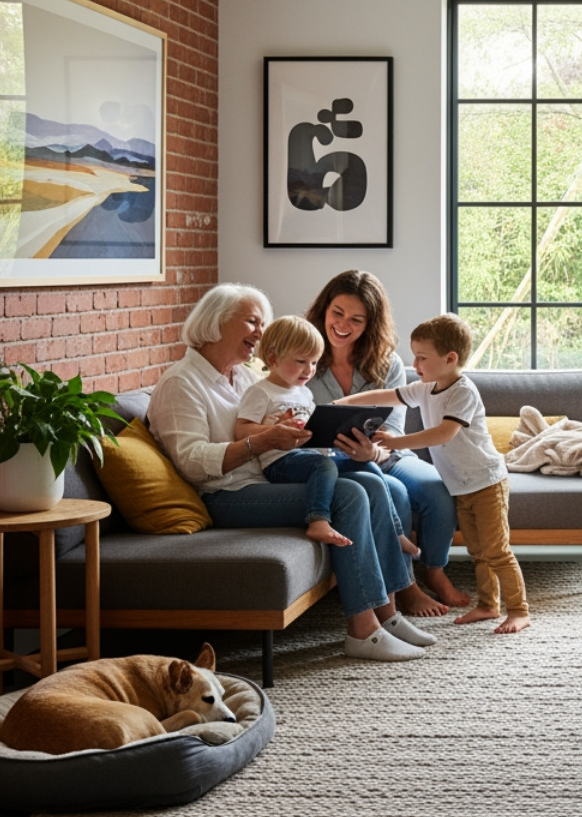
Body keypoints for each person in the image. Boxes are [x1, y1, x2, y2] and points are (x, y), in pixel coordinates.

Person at [146, 283, 436, 662]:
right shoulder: (181, 383)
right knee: (349, 495)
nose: (261, 332)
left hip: (264, 481)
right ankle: (363, 631)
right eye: (251, 321)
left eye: (262, 323)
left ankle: (388, 615)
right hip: (226, 495)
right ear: (215, 323)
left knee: (365, 477)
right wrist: (264, 441)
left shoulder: (246, 378)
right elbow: (191, 461)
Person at [339, 314, 530, 635]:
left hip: (487, 483)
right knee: (478, 552)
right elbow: (382, 396)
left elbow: (443, 434)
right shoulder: (425, 388)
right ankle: (488, 605)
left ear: (450, 358)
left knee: (497, 550)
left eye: (422, 357)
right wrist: (340, 403)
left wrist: (396, 441)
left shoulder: (462, 392)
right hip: (462, 487)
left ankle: (519, 610)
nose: (414, 364)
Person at [305, 271, 465, 618]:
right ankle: (406, 587)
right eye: (337, 313)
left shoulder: (388, 363)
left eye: (356, 319)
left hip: (385, 456)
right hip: (332, 462)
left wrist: (374, 452)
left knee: (437, 492)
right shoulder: (304, 357)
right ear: (324, 310)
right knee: (396, 494)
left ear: (370, 323)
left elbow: (392, 429)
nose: (343, 324)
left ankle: (435, 572)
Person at [234, 314, 417, 558]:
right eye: (301, 362)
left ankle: (396, 531)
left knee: (366, 463)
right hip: (279, 462)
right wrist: (274, 430)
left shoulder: (304, 393)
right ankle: (317, 520)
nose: (309, 370)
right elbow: (241, 429)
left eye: (313, 362)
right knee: (323, 464)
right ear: (272, 358)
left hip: (310, 457)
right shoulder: (260, 392)